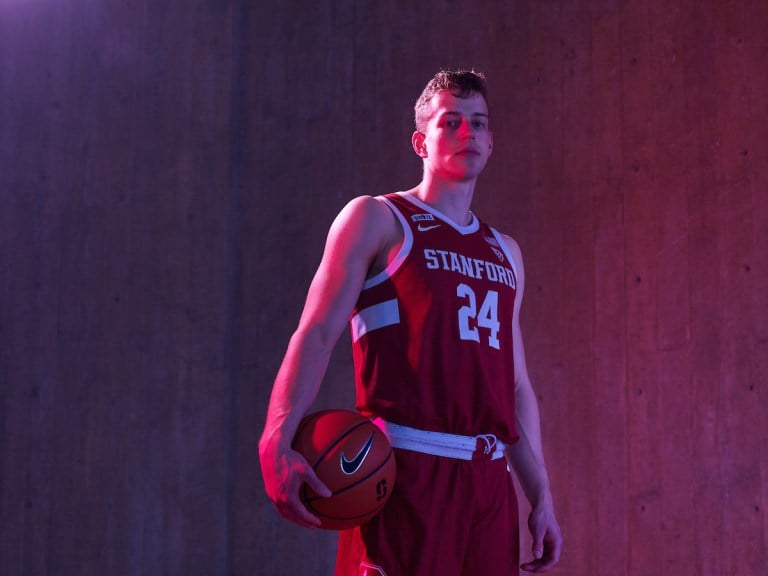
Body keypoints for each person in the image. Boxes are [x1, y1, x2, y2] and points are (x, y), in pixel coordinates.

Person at [259, 69, 562, 575]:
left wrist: (541, 496)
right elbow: (315, 333)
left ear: (491, 142)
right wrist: (276, 437)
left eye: (478, 124)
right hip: (403, 470)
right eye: (452, 123)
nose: (468, 133)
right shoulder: (378, 219)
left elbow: (515, 387)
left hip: (488, 486)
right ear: (421, 141)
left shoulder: (506, 252)